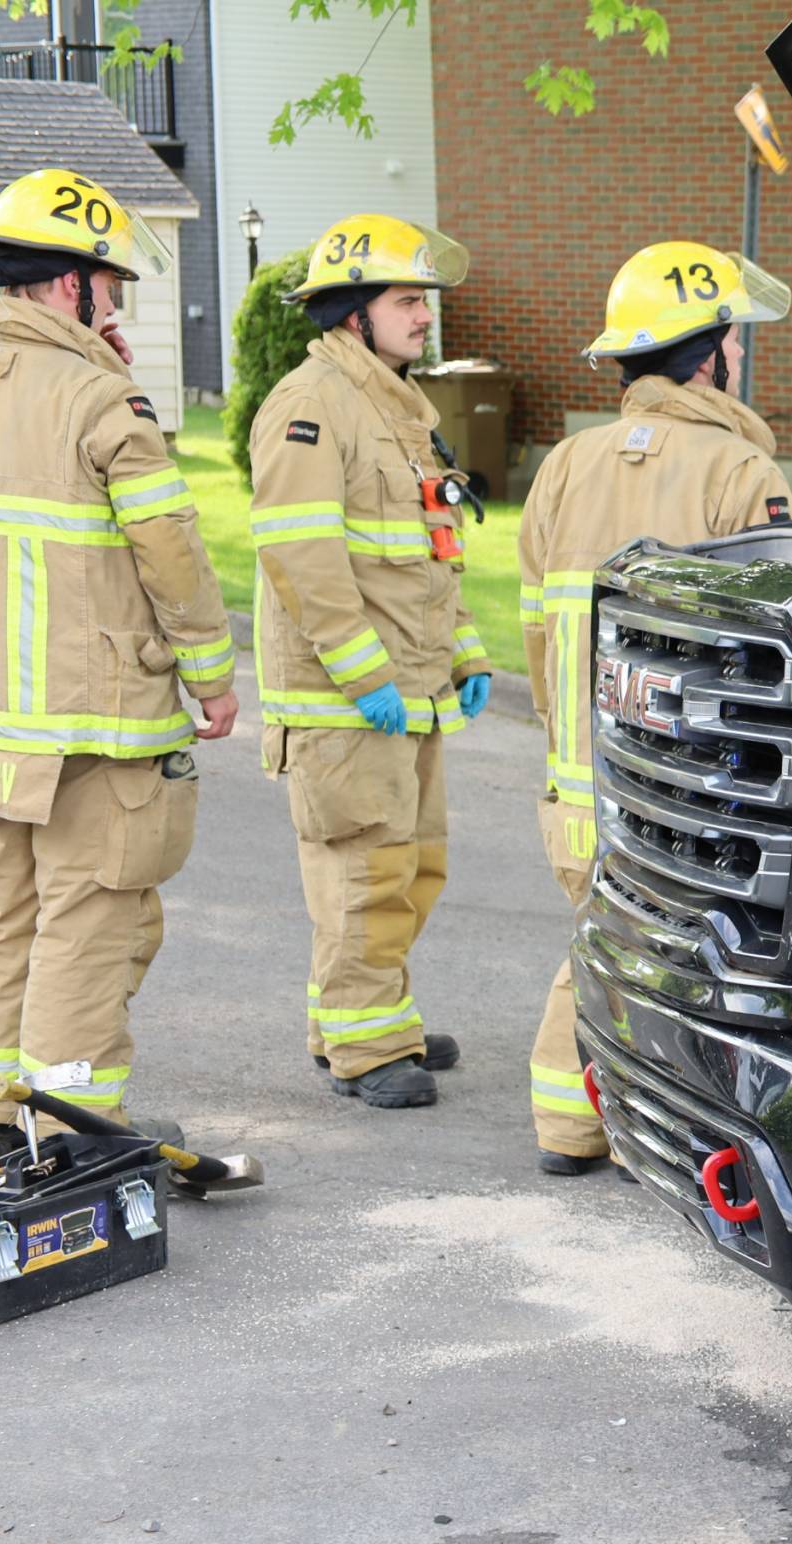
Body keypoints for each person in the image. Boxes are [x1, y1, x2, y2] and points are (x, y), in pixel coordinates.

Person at [0, 169, 239, 1162]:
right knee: (91, 921)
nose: (119, 302)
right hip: (94, 727)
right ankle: (70, 1129)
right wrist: (212, 676)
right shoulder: (103, 400)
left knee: (5, 911)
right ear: (73, 288)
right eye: (116, 285)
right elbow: (172, 550)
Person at [515, 241, 792, 1175]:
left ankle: (569, 1121)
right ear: (708, 352)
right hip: (688, 791)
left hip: (579, 784)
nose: (741, 356)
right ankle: (684, 1133)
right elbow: (775, 651)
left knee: (608, 930)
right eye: (734, 337)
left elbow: (535, 632)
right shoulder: (739, 472)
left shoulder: (564, 464)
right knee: (692, 954)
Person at [248, 214, 488, 1112]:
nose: (424, 315)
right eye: (405, 299)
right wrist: (365, 677)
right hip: (349, 700)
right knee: (365, 871)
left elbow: (433, 549)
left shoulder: (397, 411)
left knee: (414, 866)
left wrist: (464, 650)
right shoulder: (311, 405)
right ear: (354, 315)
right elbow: (299, 558)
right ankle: (365, 1045)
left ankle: (355, 1014)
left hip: (410, 692)